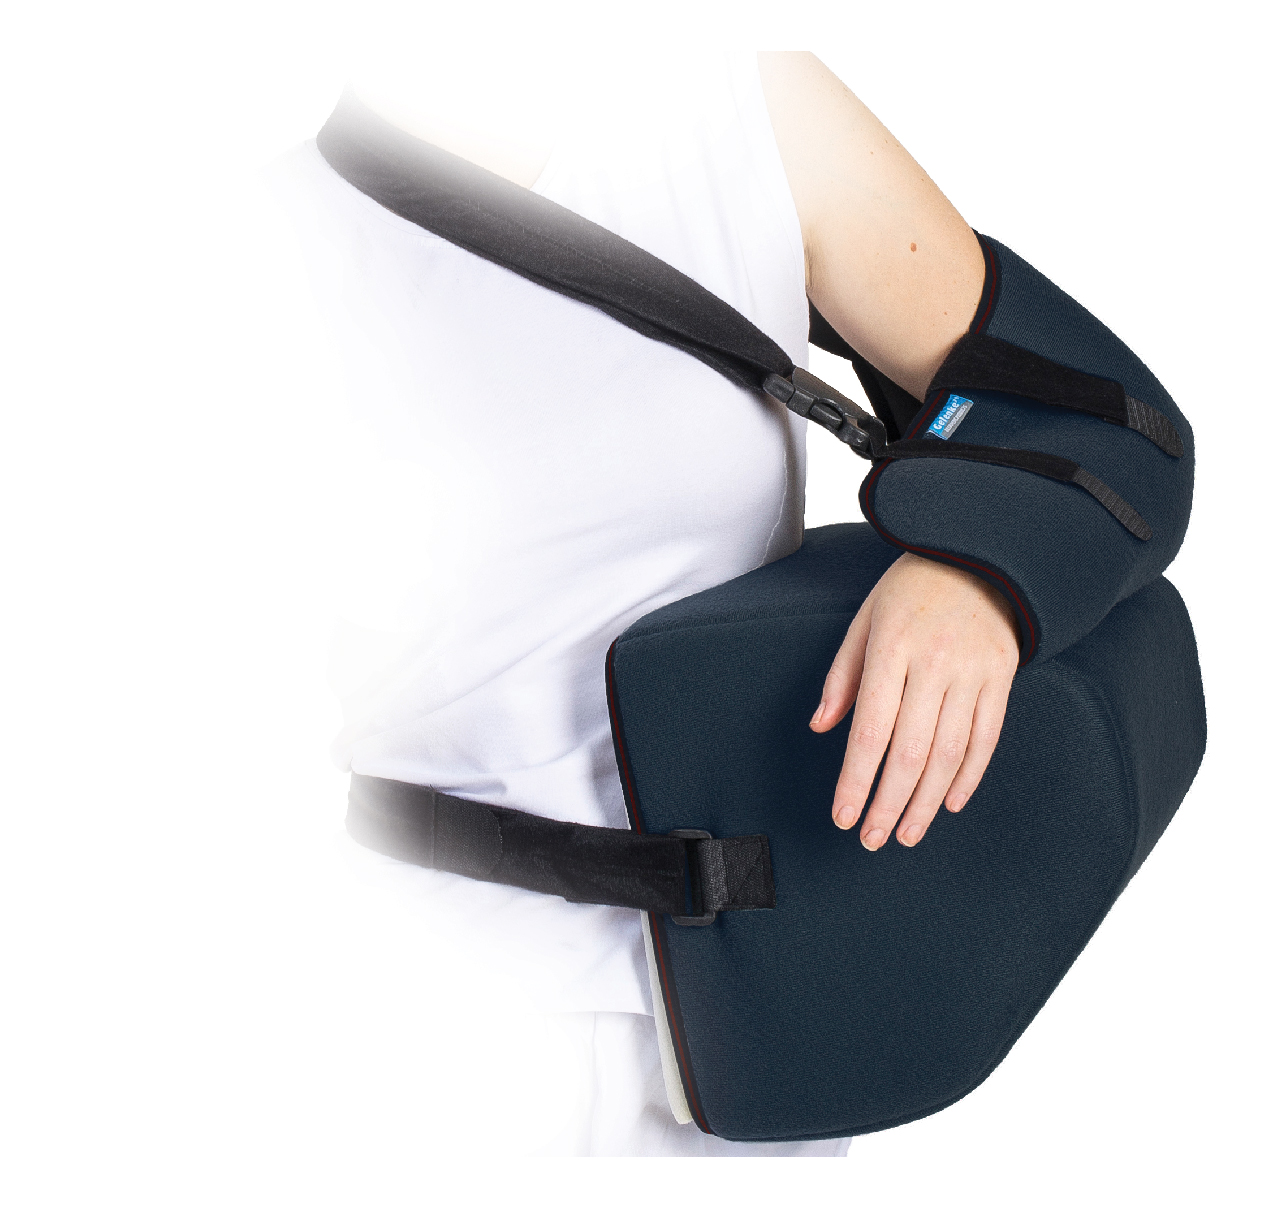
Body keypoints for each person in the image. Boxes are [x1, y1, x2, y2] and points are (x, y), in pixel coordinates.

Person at [274, 50, 1018, 1156]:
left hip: (755, 1000)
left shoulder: (751, 110)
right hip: (421, 1018)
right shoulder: (257, 237)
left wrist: (976, 572)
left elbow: (1079, 421)